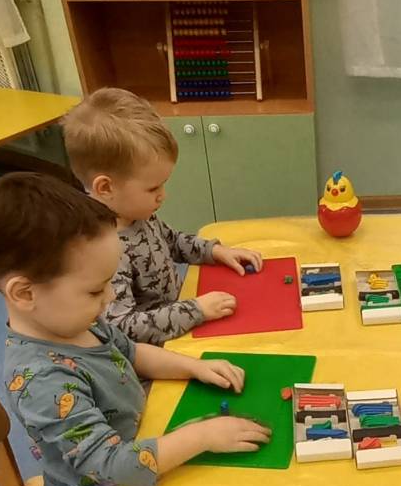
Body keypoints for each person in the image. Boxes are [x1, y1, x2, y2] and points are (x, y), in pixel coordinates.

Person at [0, 174, 270, 486]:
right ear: (25, 293)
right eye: (96, 290)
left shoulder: (74, 320)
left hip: (133, 457)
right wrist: (203, 436)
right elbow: (112, 466)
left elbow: (130, 352)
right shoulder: (43, 382)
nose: (110, 297)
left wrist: (194, 366)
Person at [63, 88, 263, 344]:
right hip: (154, 352)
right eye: (153, 188)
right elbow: (122, 327)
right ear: (105, 188)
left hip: (177, 318)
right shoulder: (102, 250)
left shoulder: (136, 213)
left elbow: (172, 241)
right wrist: (196, 311)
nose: (163, 195)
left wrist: (214, 252)